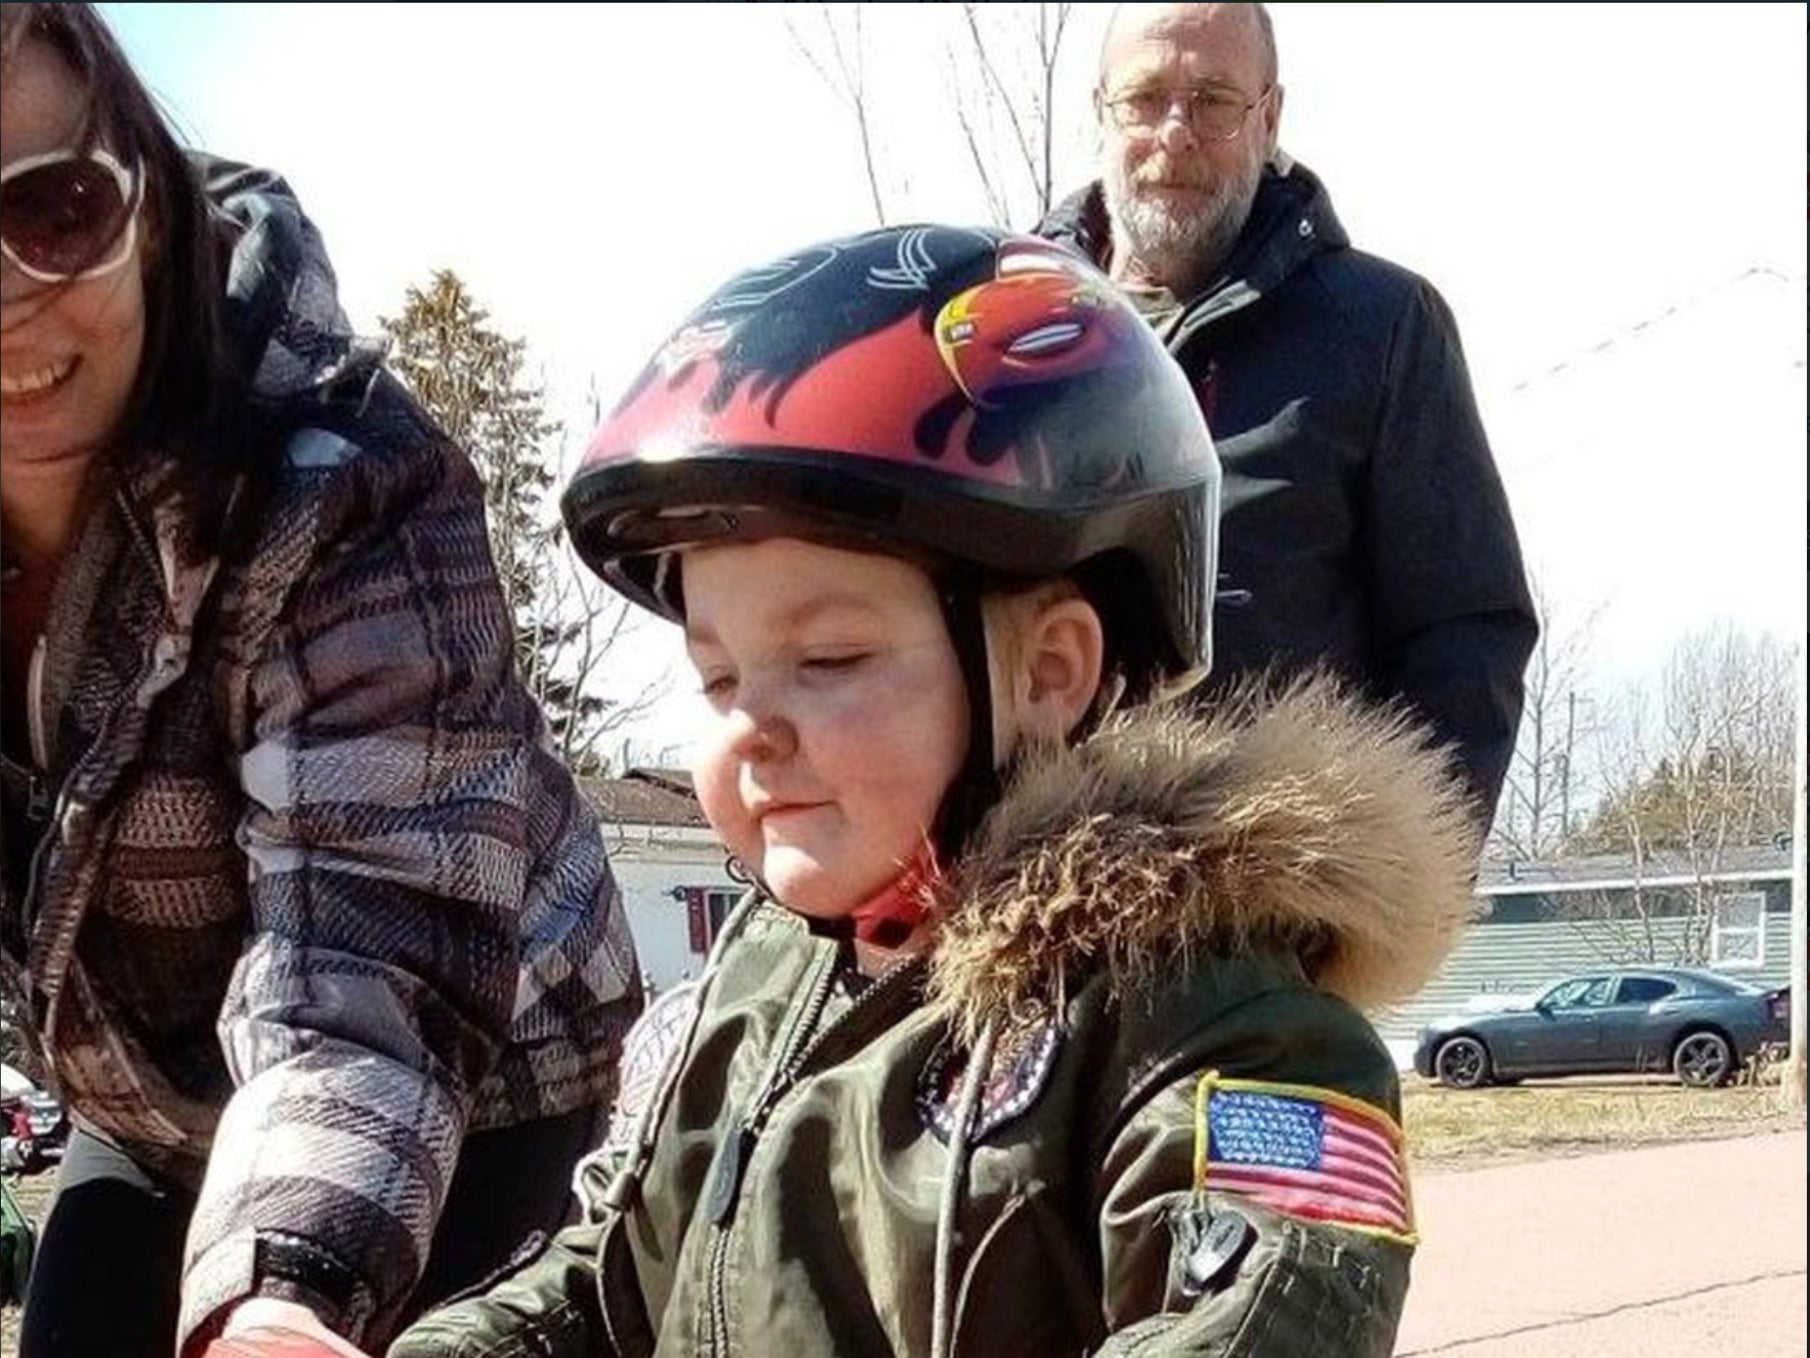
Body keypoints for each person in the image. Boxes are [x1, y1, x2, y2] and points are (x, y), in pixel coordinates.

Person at [386, 224, 1478, 1358]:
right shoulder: (748, 994)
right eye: (718, 675)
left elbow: (1257, 1312)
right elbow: (610, 1284)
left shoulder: (1209, 1013)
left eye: (830, 662)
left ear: (1049, 673)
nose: (752, 728)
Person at [0, 6, 641, 1356]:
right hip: (152, 1100)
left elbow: (368, 958)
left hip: (472, 1077)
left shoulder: (348, 479)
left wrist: (277, 1288)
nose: (6, 296)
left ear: (153, 210)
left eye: (51, 211)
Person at [1037, 2, 1537, 822]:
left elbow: (1465, 641)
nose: (1175, 131)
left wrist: (1370, 914)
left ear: (1269, 118)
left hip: (1260, 910)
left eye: (1213, 100)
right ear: (1100, 110)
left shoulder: (1380, 330)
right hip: (1016, 898)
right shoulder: (1008, 328)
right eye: (1145, 97)